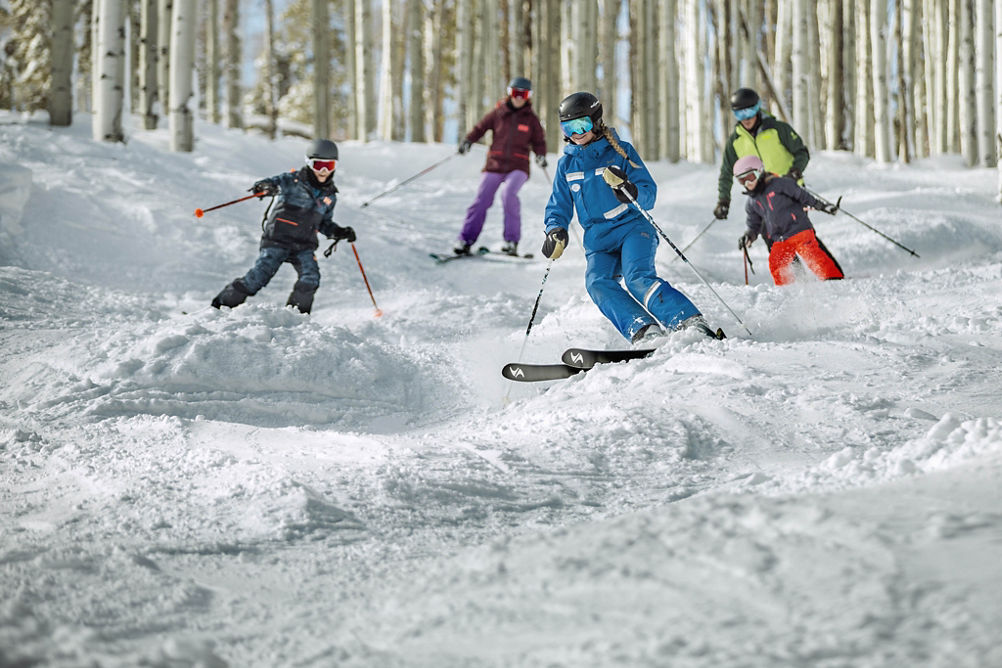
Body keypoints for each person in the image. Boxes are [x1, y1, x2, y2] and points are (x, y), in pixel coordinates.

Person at [541, 91, 723, 345]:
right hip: (598, 240)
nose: (576, 132)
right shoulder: (566, 166)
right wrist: (555, 230)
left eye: (581, 124)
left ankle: (687, 320)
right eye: (568, 126)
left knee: (637, 278)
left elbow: (648, 193)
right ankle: (643, 329)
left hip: (632, 229)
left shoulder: (621, 152)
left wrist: (629, 190)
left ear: (595, 121)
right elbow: (558, 205)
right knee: (597, 283)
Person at [211, 139, 356, 314]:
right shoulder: (292, 181)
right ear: (309, 163)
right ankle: (219, 307)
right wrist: (265, 187)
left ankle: (295, 318)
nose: (324, 171)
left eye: (329, 165)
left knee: (311, 278)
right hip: (278, 240)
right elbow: (271, 183)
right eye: (318, 165)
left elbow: (324, 223)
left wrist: (338, 231)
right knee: (257, 278)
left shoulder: (330, 196)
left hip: (304, 245)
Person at [454, 76, 547, 257]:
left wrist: (541, 155)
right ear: (509, 93)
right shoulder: (498, 113)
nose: (519, 97)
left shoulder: (531, 120)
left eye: (524, 94)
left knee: (508, 194)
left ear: (529, 96)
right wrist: (468, 141)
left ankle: (511, 241)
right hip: (494, 165)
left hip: (518, 166)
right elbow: (480, 128)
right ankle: (465, 240)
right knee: (482, 199)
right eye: (515, 93)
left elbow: (539, 141)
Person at [734, 155, 844, 285]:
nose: (748, 184)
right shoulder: (752, 202)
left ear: (760, 171)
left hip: (799, 230)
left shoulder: (780, 184)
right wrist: (749, 236)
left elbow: (804, 197)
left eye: (750, 178)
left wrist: (823, 206)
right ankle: (787, 289)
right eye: (742, 181)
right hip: (779, 238)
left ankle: (833, 280)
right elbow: (754, 224)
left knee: (813, 256)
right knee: (777, 263)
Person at [713, 87, 809, 222]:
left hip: (790, 191)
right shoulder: (735, 142)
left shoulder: (777, 129)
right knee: (775, 241)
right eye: (740, 114)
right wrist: (723, 200)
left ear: (757, 108)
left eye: (749, 112)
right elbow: (726, 172)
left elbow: (802, 152)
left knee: (798, 235)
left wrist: (795, 171)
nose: (746, 118)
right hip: (762, 199)